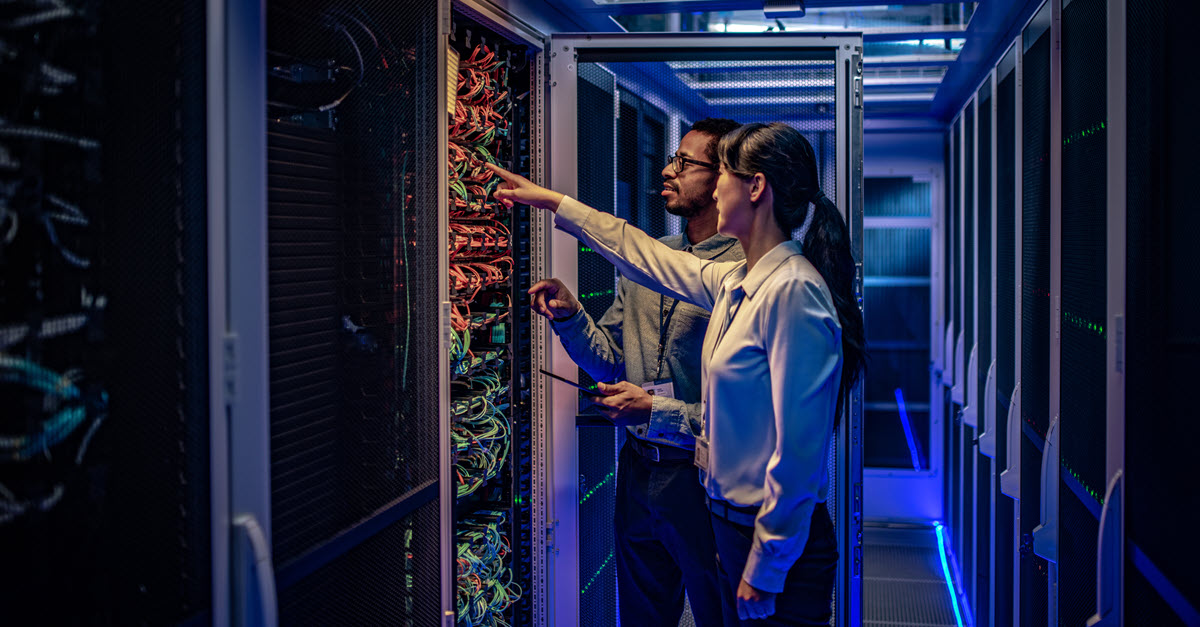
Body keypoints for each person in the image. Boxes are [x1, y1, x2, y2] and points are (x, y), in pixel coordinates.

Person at [489, 122, 866, 625]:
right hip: (729, 522)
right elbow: (643, 255)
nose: (717, 187)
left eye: (725, 173)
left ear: (755, 188)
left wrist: (767, 567)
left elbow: (798, 453)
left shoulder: (793, 292)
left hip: (766, 540)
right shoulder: (739, 279)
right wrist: (556, 203)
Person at [529, 118, 744, 627]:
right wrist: (570, 315)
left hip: (703, 477)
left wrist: (658, 409)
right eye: (672, 159)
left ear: (723, 178)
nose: (667, 172)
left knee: (720, 614)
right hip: (638, 470)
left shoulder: (743, 275)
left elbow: (747, 416)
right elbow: (607, 359)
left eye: (684, 163)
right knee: (643, 616)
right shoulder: (653, 259)